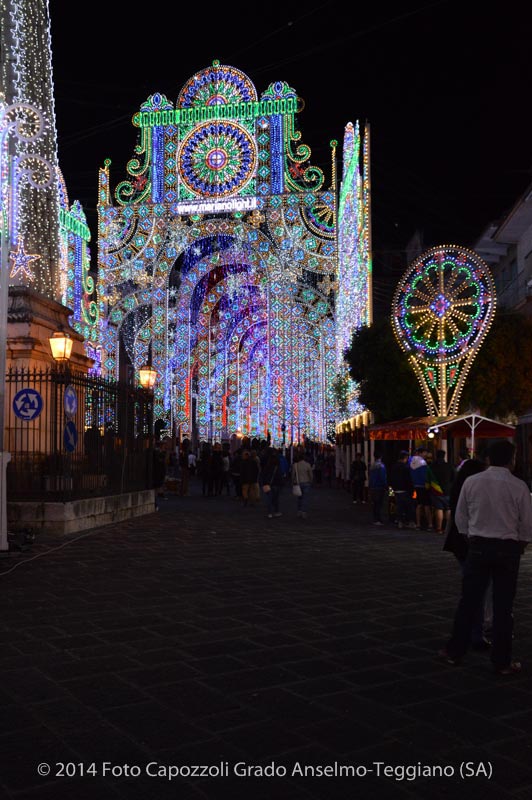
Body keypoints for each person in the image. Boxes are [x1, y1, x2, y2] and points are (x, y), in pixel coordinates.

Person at [440, 440, 532, 675]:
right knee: (503, 606)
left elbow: (461, 517)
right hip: (508, 548)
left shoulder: (472, 482)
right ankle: (501, 661)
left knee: (468, 601)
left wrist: (471, 537)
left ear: (488, 458)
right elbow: (527, 524)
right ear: (511, 460)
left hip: (479, 546)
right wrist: (520, 544)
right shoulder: (519, 486)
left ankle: (454, 651)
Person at [443, 457, 491, 650]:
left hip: (459, 544)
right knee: (477, 591)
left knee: (473, 589)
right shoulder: (475, 490)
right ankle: (475, 633)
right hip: (472, 543)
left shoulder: (459, 488)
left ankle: (473, 631)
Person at [426, 449, 456, 533]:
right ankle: (447, 528)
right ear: (444, 456)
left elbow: (428, 479)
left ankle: (439, 528)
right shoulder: (449, 466)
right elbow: (454, 478)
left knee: (439, 508)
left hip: (436, 490)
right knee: (448, 509)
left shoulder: (431, 466)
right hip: (448, 490)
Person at [389, 450, 416, 529]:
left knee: (399, 506)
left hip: (395, 489)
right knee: (409, 507)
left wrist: (391, 491)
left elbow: (390, 479)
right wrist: (411, 490)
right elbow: (409, 480)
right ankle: (410, 521)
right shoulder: (406, 467)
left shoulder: (393, 467)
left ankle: (399, 521)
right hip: (405, 490)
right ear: (406, 458)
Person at [410, 446, 433, 530]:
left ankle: (418, 524)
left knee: (419, 505)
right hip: (423, 486)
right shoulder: (422, 462)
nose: (426, 454)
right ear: (421, 453)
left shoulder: (411, 461)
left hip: (415, 485)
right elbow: (425, 476)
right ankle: (430, 524)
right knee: (427, 505)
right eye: (425, 452)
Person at [261, 450, 284, 518]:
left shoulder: (267, 467)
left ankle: (269, 513)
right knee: (275, 499)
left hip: (268, 484)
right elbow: (280, 476)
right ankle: (276, 511)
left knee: (269, 499)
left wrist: (264, 483)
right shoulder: (277, 468)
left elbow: (263, 475)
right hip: (276, 484)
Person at [291, 452, 313, 519]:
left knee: (299, 498)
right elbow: (311, 475)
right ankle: (303, 511)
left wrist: (292, 482)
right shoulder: (307, 465)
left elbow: (292, 475)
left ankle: (299, 511)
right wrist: (311, 481)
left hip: (298, 483)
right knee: (305, 498)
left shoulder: (295, 465)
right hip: (306, 482)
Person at [368, 453, 388, 526]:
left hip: (373, 487)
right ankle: (378, 519)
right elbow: (383, 477)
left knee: (375, 504)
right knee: (379, 504)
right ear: (381, 457)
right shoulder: (381, 466)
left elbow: (370, 477)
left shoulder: (372, 465)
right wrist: (386, 485)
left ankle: (375, 519)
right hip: (379, 487)